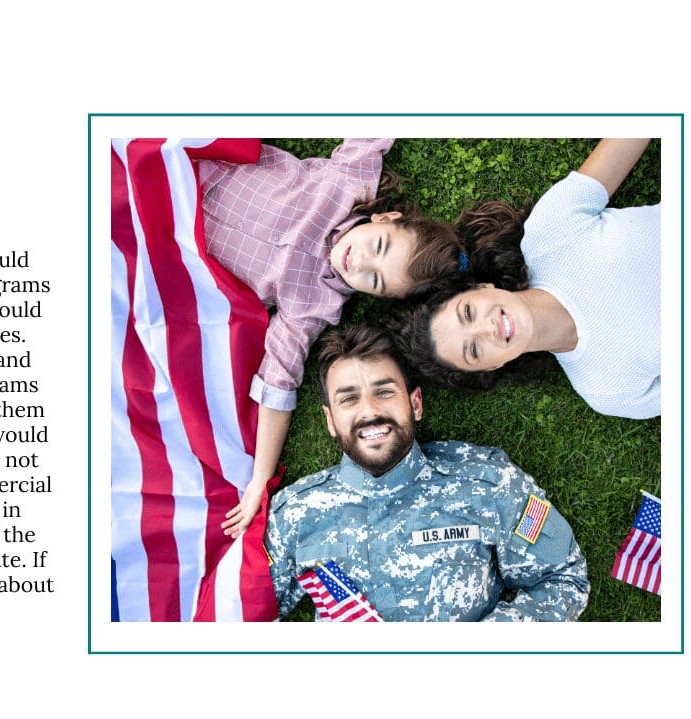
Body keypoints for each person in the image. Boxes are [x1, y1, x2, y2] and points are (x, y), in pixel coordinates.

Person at [198, 140, 484, 537]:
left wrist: (259, 479)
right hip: (195, 161)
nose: (361, 263)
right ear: (386, 216)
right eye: (379, 246)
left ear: (378, 297)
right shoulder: (349, 182)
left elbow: (278, 382)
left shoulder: (313, 303)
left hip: (167, 228)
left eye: (376, 281)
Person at [266, 324, 589, 621]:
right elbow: (241, 618)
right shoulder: (294, 514)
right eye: (349, 399)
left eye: (384, 391)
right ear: (330, 421)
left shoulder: (488, 482)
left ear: (416, 403)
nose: (369, 411)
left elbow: (563, 577)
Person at [392, 138, 660, 418]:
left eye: (468, 312)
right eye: (473, 349)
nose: (487, 329)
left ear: (480, 287)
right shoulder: (608, 390)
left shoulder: (548, 233)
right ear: (492, 366)